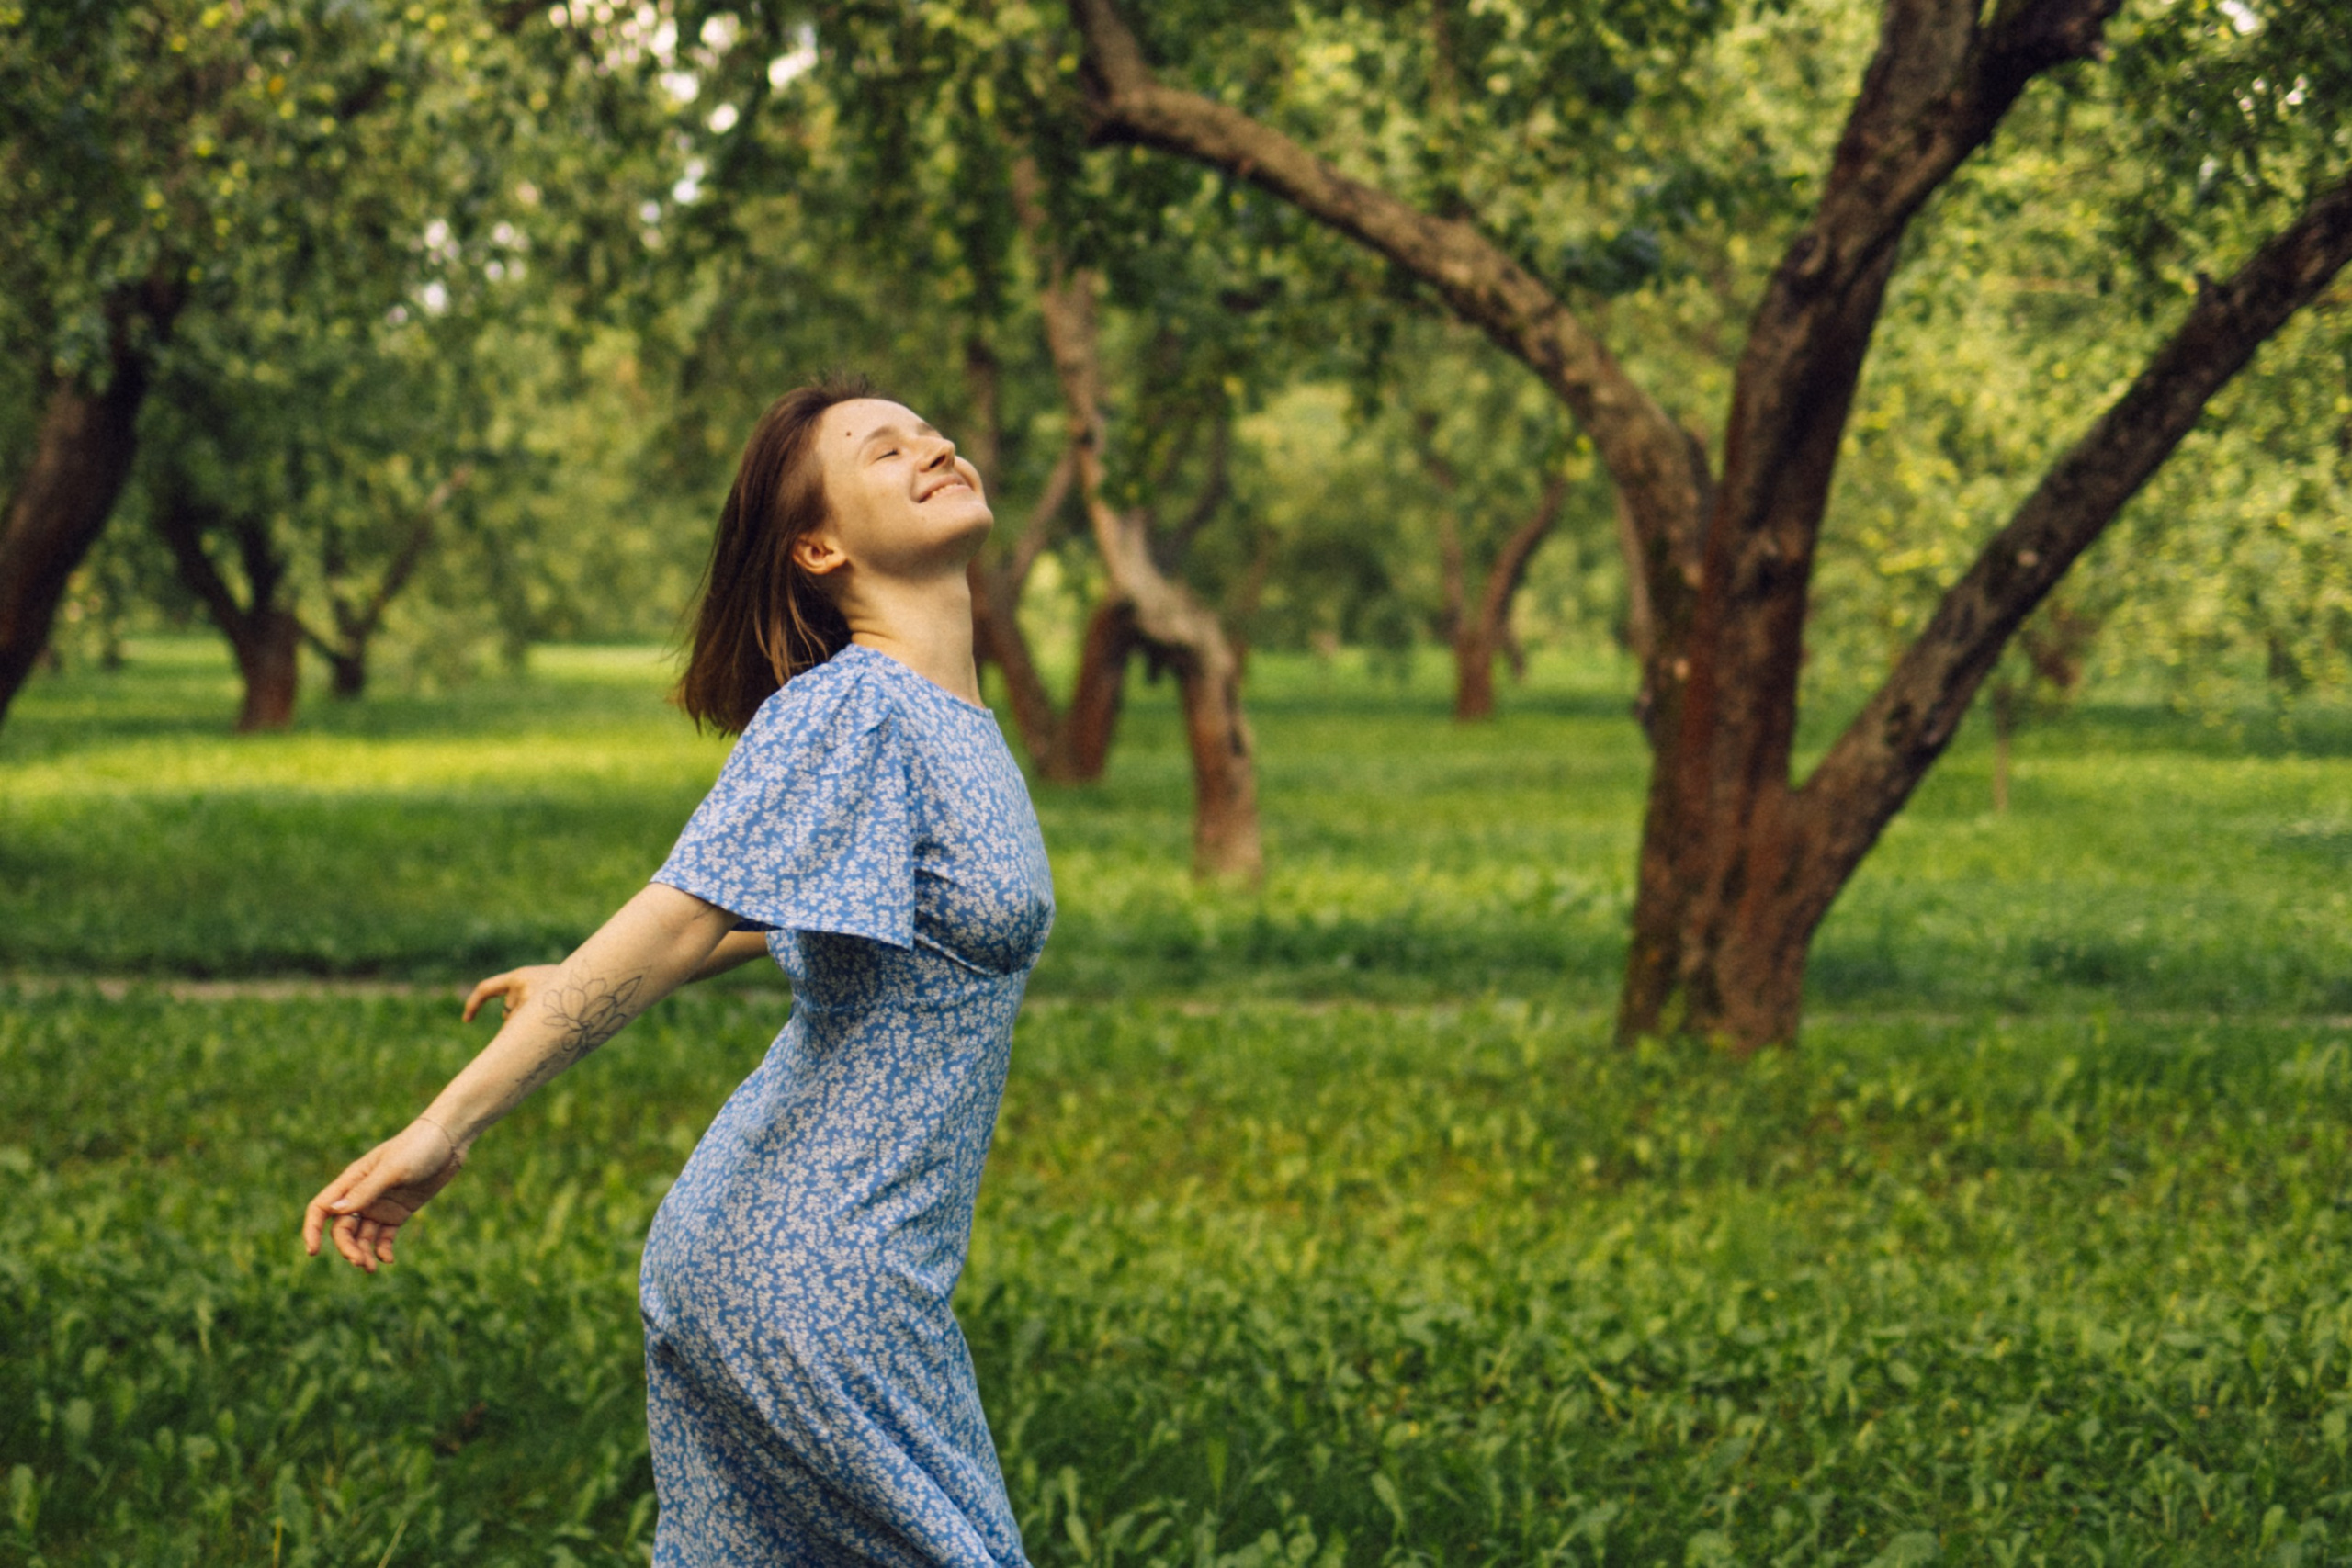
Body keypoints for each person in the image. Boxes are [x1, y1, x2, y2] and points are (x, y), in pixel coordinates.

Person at [302, 378, 1056, 1566]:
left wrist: (582, 974)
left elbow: (830, 906)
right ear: (818, 546)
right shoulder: (857, 707)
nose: (934, 446)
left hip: (796, 1263)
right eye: (883, 450)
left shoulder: (945, 712)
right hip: (816, 1281)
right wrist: (448, 1124)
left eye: (931, 431)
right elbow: (685, 917)